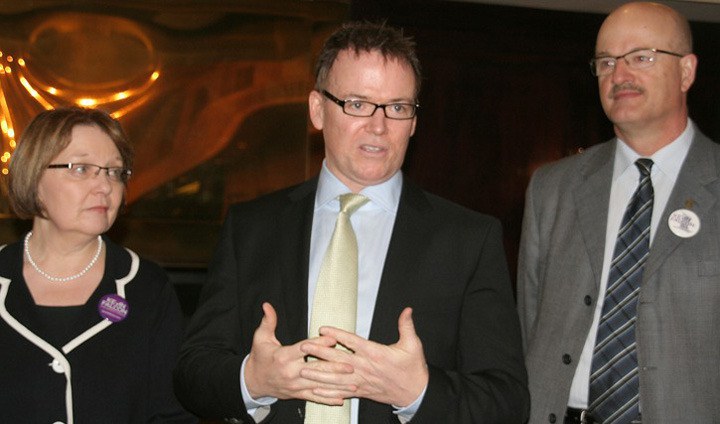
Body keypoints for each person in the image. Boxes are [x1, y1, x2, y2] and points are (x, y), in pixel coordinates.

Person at [174, 21, 528, 424]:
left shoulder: (468, 239)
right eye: (357, 104)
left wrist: (417, 392)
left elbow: (508, 402)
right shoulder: (251, 228)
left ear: (413, 122)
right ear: (317, 109)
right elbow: (191, 374)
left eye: (397, 107)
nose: (379, 126)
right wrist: (252, 379)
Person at [518, 2, 720, 423]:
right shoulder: (552, 188)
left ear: (686, 72)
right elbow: (528, 323)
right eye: (607, 61)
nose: (619, 75)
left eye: (641, 58)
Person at [0, 107, 198, 423]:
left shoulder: (146, 287)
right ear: (33, 176)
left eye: (114, 172)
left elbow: (172, 415)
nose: (105, 186)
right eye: (81, 169)